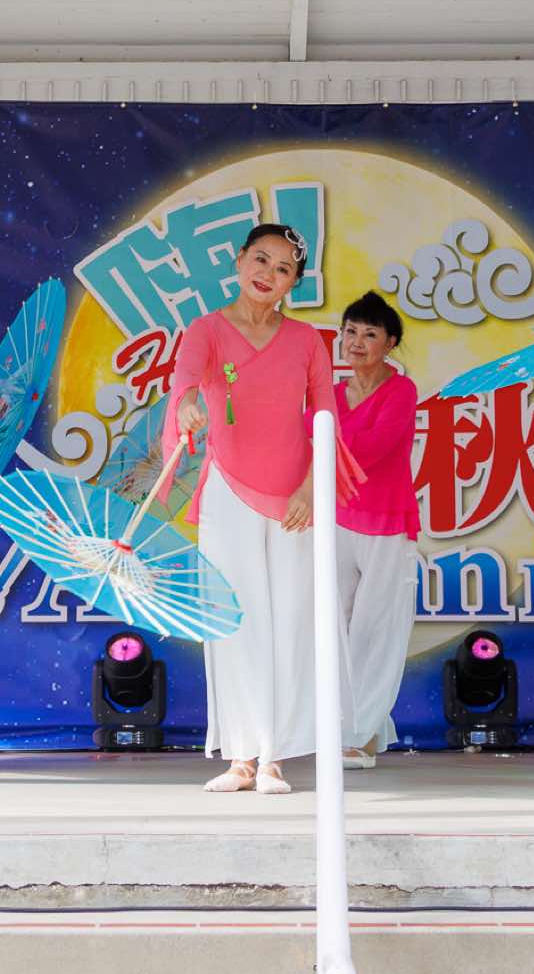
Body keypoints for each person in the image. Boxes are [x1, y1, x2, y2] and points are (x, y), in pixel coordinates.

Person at [166, 223, 339, 794]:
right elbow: (184, 382)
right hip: (229, 490)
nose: (269, 274)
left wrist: (311, 487)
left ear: (294, 283)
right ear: (239, 261)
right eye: (261, 260)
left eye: (284, 268)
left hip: (295, 497)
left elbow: (325, 418)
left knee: (290, 620)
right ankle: (242, 756)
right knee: (234, 617)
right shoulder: (208, 329)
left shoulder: (307, 340)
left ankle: (275, 757)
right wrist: (187, 407)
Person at [332, 291, 420, 770]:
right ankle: (352, 725)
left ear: (390, 343)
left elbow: (375, 447)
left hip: (387, 522)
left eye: (370, 334)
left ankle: (362, 733)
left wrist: (322, 440)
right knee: (336, 626)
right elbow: (303, 439)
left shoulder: (401, 391)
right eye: (350, 331)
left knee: (376, 628)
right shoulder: (329, 395)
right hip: (336, 520)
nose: (357, 342)